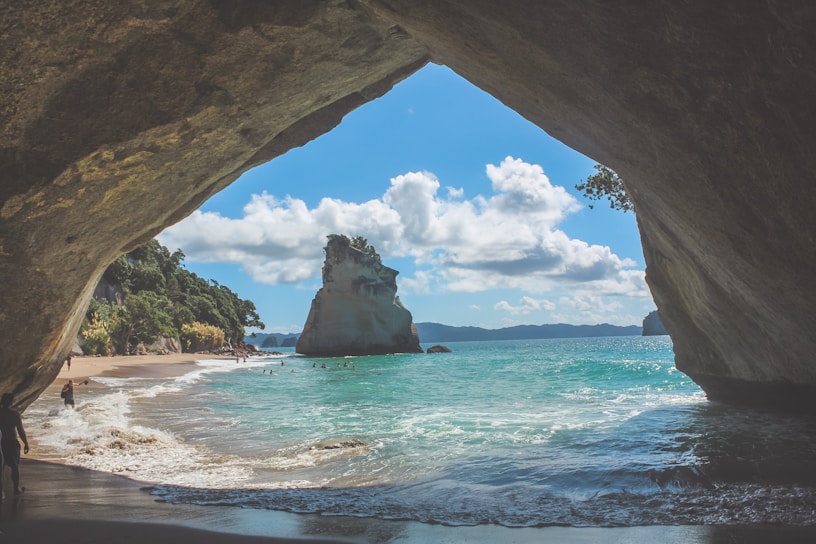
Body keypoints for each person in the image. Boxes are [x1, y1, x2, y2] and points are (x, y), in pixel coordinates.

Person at [0, 392, 29, 497]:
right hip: (11, 443)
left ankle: (1, 491)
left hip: (1, 442)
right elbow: (21, 431)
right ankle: (16, 488)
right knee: (15, 467)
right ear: (11, 402)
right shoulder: (14, 414)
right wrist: (26, 443)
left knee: (1, 468)